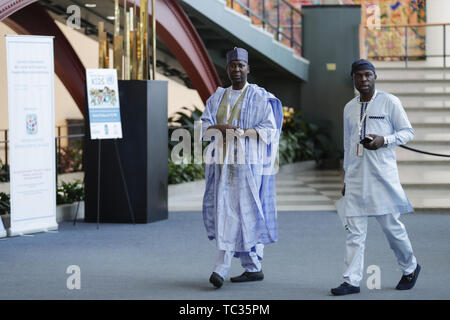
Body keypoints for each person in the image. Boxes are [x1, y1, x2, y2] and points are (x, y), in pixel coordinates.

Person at [331, 59, 421, 296]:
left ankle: (410, 267)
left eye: (368, 75)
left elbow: (407, 132)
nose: (364, 80)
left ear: (375, 77)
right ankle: (350, 280)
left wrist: (384, 140)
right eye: (359, 75)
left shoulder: (389, 102)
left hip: (382, 178)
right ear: (353, 78)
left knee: (392, 228)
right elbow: (348, 145)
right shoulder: (349, 107)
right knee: (354, 232)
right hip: (357, 178)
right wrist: (346, 178)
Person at [200, 47, 283, 288]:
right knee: (230, 211)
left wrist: (245, 133)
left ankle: (222, 267)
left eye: (240, 65)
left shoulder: (259, 96)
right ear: (227, 69)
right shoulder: (217, 97)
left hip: (249, 166)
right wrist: (223, 130)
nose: (236, 69)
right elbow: (205, 128)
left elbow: (269, 129)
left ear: (248, 68)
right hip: (222, 166)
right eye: (232, 65)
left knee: (244, 211)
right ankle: (252, 266)